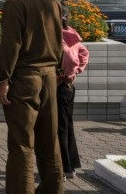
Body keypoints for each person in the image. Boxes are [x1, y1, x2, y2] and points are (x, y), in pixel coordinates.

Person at [0, 0, 64, 193]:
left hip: (24, 79)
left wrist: (3, 79)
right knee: (49, 141)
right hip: (50, 76)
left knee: (22, 144)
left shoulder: (16, 2)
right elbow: (60, 39)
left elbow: (11, 45)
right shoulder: (51, 0)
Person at [57, 10, 89, 180]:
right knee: (67, 125)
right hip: (68, 87)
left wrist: (66, 74)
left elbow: (69, 58)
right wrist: (76, 72)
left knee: (60, 127)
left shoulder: (60, 35)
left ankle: (64, 168)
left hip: (60, 87)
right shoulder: (71, 33)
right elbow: (83, 53)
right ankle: (71, 166)